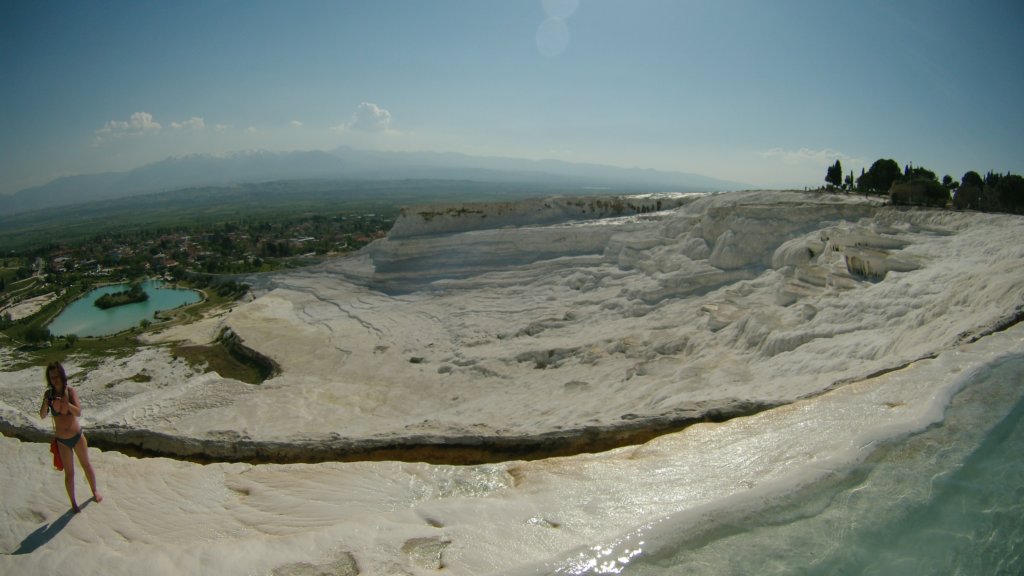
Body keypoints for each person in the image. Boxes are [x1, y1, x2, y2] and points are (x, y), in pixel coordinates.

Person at [39, 361, 103, 513]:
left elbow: (78, 412)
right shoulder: (48, 395)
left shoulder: (70, 391)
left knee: (86, 465)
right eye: (51, 377)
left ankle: (95, 491)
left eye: (56, 376)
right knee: (70, 474)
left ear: (61, 375)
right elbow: (42, 415)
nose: (54, 380)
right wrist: (45, 403)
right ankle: (73, 502)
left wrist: (66, 404)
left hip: (77, 436)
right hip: (62, 441)